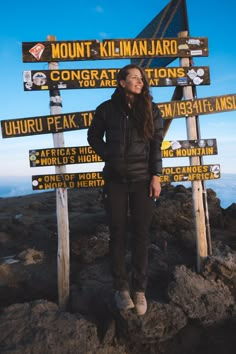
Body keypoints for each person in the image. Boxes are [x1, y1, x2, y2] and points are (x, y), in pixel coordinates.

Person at [87, 64, 163, 316]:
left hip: (143, 181)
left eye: (141, 78)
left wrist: (156, 176)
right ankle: (121, 288)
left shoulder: (151, 109)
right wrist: (109, 154)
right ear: (121, 82)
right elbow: (93, 136)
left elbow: (156, 146)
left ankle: (139, 290)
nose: (139, 82)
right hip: (115, 180)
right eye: (134, 78)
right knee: (117, 232)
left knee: (141, 233)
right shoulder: (106, 109)